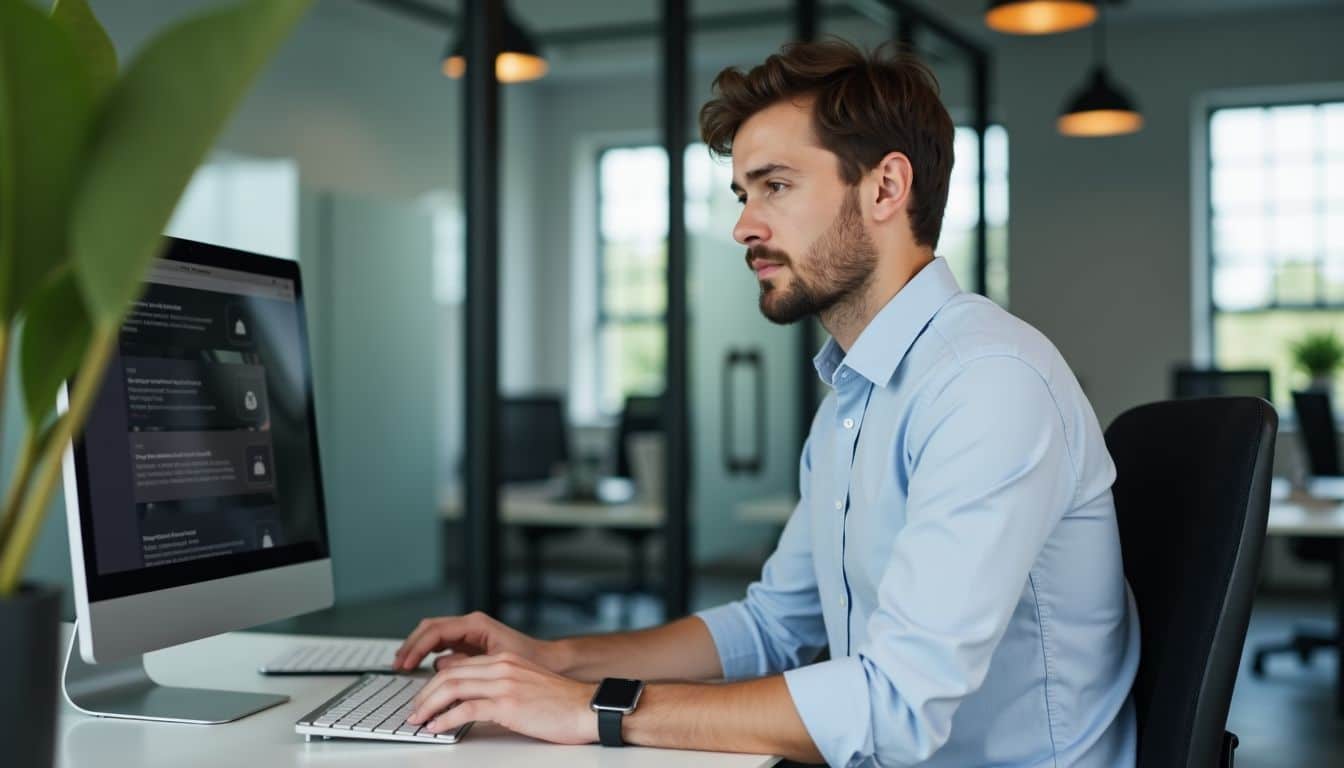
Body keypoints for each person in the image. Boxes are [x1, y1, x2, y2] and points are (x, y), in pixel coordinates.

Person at [395, 39, 1139, 767]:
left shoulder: (986, 383)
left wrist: (592, 708)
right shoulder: (857, 395)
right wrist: (553, 660)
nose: (744, 226)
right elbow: (771, 625)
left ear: (886, 187)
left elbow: (897, 708)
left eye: (775, 186)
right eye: (743, 194)